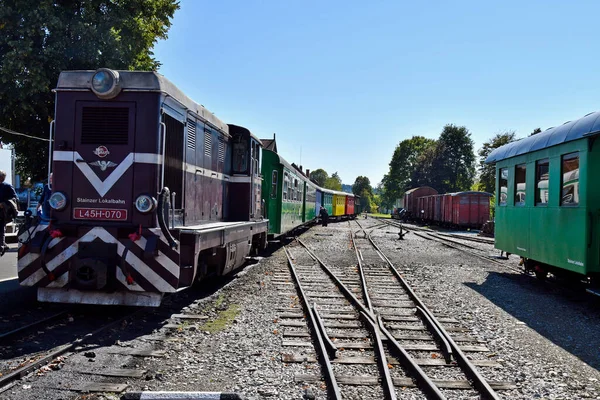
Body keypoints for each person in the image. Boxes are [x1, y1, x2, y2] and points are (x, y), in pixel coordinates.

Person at [0, 170, 17, 256]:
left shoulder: (7, 186)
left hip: (2, 212)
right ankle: (4, 245)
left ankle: (1, 246)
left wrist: (3, 204)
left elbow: (14, 199)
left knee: (0, 229)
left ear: (2, 178)